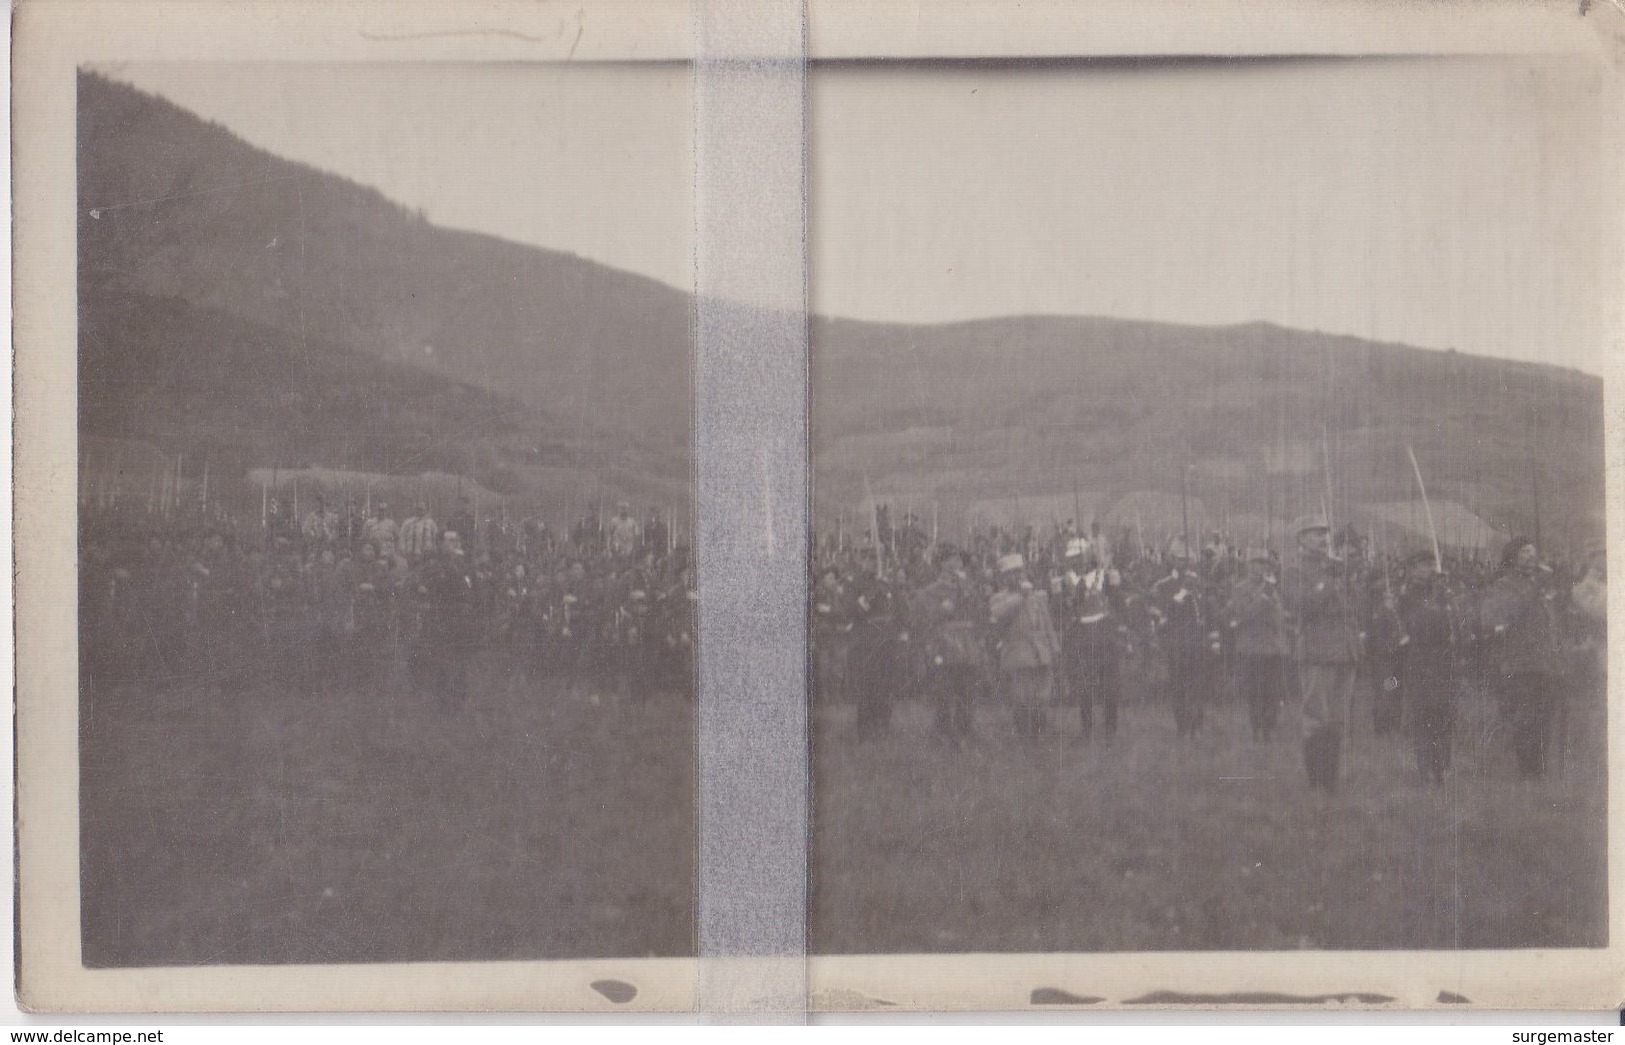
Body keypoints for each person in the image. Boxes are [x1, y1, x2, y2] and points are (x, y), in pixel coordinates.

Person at [1280, 514, 1361, 792]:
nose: (1323, 538)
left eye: (1325, 533)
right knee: (1316, 717)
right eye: (1315, 533)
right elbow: (1301, 605)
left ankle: (1331, 781)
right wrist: (1327, 581)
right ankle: (1317, 782)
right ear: (1301, 538)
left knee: (1339, 720)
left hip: (1344, 650)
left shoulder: (1336, 568)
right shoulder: (1294, 570)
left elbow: (1352, 608)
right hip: (1316, 650)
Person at [1480, 536, 1564, 779]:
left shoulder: (1541, 585)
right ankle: (1527, 769)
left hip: (1544, 663)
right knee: (1525, 717)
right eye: (1525, 552)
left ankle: (1538, 768)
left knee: (1544, 716)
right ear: (1513, 558)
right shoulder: (1504, 586)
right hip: (1518, 663)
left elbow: (1552, 622)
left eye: (1533, 552)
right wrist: (1532, 591)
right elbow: (1494, 620)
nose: (1531, 556)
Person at [913, 547, 985, 742]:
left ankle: (965, 728)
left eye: (959, 561)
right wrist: (941, 610)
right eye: (952, 560)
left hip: (967, 642)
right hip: (944, 643)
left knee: (967, 687)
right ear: (942, 564)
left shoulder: (968, 588)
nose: (957, 565)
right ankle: (942, 729)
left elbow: (979, 612)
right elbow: (924, 618)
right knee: (945, 688)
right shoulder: (931, 590)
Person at [1150, 538, 1218, 739]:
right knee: (1179, 686)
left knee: (1198, 685)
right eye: (1180, 559)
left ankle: (1197, 725)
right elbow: (1161, 613)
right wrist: (1180, 595)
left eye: (1187, 559)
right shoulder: (1164, 585)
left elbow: (1207, 610)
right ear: (1172, 560)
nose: (1184, 563)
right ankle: (1182, 726)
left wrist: (1213, 640)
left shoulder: (1198, 582)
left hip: (1197, 641)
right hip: (1177, 642)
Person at [1399, 553, 1456, 785]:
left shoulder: (1442, 593)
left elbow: (1455, 625)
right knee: (1423, 716)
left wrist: (1447, 601)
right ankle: (1426, 770)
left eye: (1431, 565)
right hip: (1419, 661)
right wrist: (1437, 602)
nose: (1429, 569)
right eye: (1423, 566)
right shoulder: (1407, 595)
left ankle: (1442, 767)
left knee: (1443, 715)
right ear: (1412, 569)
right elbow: (1416, 624)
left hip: (1443, 661)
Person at [989, 553, 1061, 738]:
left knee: (1042, 696)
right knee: (1021, 696)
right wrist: (1021, 596)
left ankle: (1038, 732)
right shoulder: (999, 598)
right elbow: (1000, 615)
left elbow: (1047, 624)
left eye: (1019, 572)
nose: (1016, 577)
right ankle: (1024, 734)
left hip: (1040, 652)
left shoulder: (1036, 596)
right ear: (1003, 578)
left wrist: (1055, 649)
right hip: (1018, 652)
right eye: (1011, 574)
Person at [1059, 538, 1123, 742]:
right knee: (1084, 684)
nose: (1076, 562)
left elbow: (1117, 601)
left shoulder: (1104, 575)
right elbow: (1066, 606)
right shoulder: (1069, 580)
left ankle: (1111, 727)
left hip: (1103, 632)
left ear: (1087, 556)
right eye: (1073, 559)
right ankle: (1087, 730)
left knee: (1108, 683)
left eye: (1079, 558)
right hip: (1082, 635)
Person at [1228, 548, 1291, 742]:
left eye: (1265, 564)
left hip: (1273, 647)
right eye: (1258, 563)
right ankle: (1257, 728)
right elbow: (1243, 615)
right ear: (1250, 566)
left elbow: (1278, 616)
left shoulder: (1272, 588)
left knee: (1274, 691)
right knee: (1256, 691)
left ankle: (1269, 728)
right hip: (1253, 647)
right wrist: (1263, 597)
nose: (1262, 567)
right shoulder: (1241, 588)